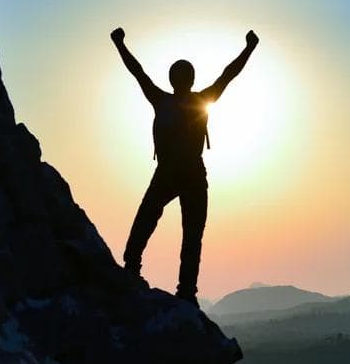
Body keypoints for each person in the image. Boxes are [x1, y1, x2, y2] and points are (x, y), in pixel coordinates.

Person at [111, 26, 259, 306]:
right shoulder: (197, 99)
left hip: (173, 172)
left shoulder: (163, 100)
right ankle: (184, 291)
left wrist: (120, 44)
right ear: (190, 80)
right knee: (188, 234)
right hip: (188, 173)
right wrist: (249, 48)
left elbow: (138, 71)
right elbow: (228, 74)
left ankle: (140, 271)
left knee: (153, 220)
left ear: (175, 79)